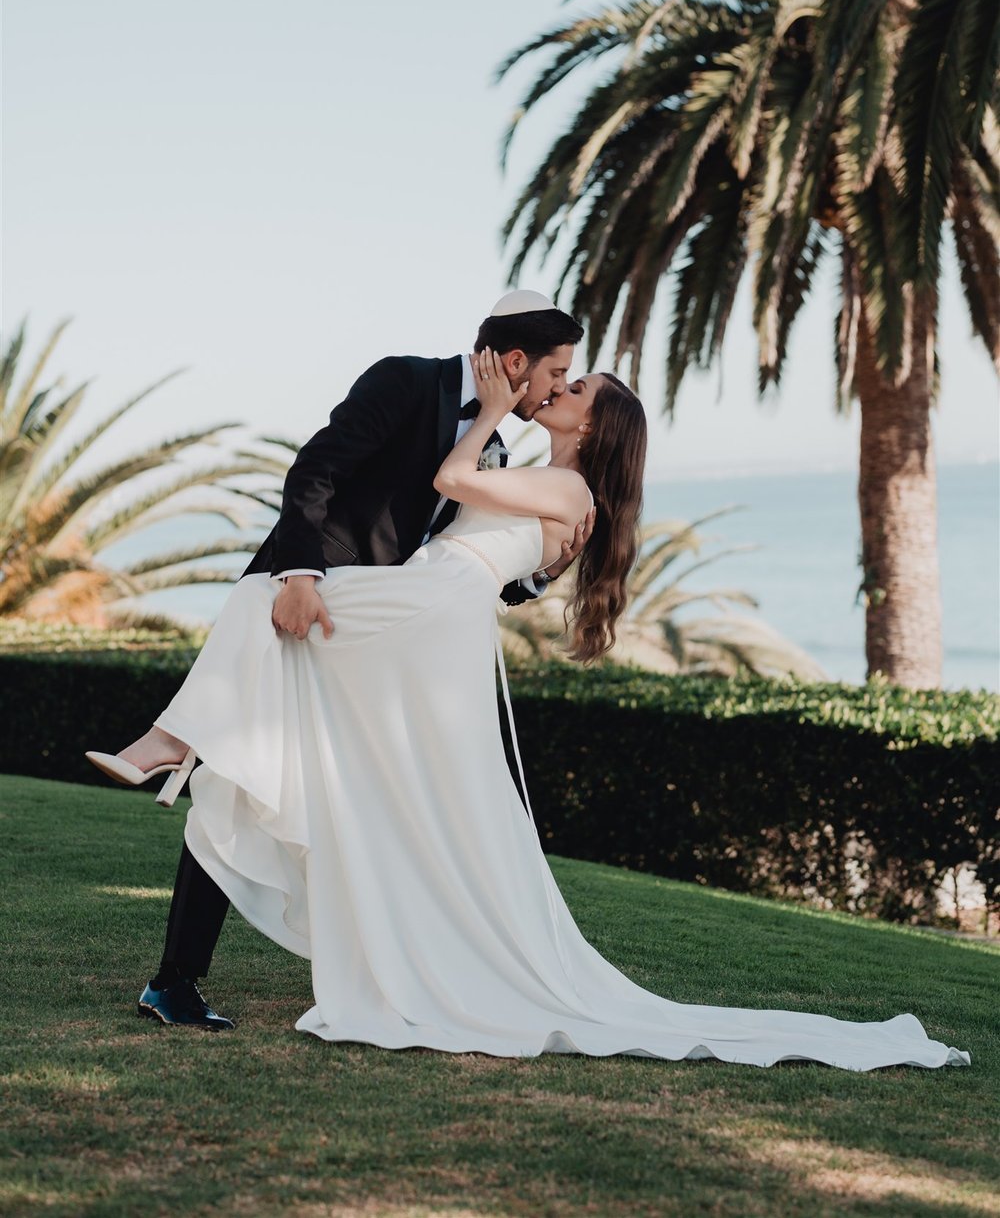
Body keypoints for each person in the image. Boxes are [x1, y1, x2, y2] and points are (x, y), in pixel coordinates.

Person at [86, 309, 972, 1072]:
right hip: (439, 613)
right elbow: (510, 562)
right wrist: (539, 553)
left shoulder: (558, 476)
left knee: (257, 598)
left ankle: (171, 743)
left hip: (431, 608)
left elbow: (449, 485)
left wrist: (496, 421)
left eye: (575, 387)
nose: (562, 388)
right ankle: (185, 797)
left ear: (593, 425)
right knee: (272, 672)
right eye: (561, 373)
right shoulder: (549, 479)